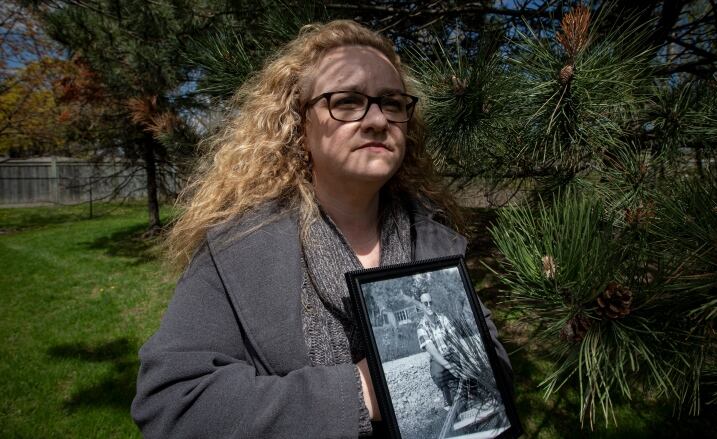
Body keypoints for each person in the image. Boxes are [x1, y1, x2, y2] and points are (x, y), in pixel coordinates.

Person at [131, 19, 512, 438]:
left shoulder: (435, 237)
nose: (377, 120)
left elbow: (494, 370)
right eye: (347, 101)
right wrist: (362, 393)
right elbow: (174, 403)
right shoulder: (237, 248)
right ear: (300, 125)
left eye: (392, 102)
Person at [417, 292, 460, 411]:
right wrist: (449, 367)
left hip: (451, 354)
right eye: (426, 303)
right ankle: (446, 392)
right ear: (421, 306)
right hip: (437, 359)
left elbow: (455, 339)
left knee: (461, 368)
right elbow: (433, 352)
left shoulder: (443, 318)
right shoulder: (421, 328)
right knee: (437, 374)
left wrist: (460, 357)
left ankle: (460, 386)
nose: (429, 305)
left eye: (431, 302)